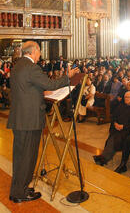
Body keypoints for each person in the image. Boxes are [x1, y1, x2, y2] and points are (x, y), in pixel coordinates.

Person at [7, 41, 79, 203]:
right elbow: (50, 84)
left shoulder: (18, 65)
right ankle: (20, 193)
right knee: (28, 158)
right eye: (39, 52)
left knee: (20, 157)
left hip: (20, 119)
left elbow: (30, 88)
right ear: (34, 51)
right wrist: (68, 77)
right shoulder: (32, 67)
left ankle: (18, 188)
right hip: (29, 120)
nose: (40, 55)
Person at [93, 91, 130, 165]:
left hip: (127, 130)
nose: (126, 99)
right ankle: (104, 157)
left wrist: (123, 126)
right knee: (110, 139)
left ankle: (104, 158)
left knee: (114, 140)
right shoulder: (121, 106)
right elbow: (114, 116)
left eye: (128, 97)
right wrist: (115, 123)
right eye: (125, 97)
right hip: (117, 128)